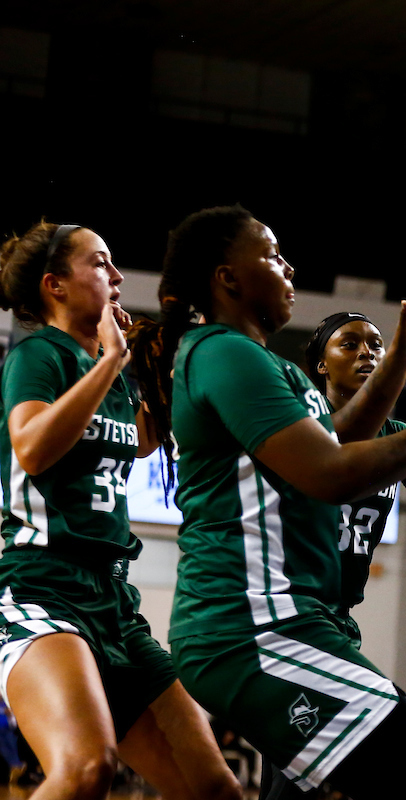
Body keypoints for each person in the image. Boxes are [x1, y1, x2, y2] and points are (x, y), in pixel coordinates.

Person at [126, 205, 406, 800]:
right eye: (272, 255)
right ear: (227, 277)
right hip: (254, 624)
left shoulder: (266, 365)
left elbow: (345, 442)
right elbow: (331, 473)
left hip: (287, 622)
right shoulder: (223, 353)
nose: (288, 267)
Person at [0, 222, 242, 800]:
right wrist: (112, 359)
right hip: (40, 589)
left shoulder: (112, 377)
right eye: (101, 264)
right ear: (55, 285)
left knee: (215, 790)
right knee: (87, 769)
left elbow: (137, 441)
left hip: (113, 601)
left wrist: (171, 373)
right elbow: (31, 446)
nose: (118, 277)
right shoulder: (40, 355)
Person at [253, 307, 406, 800]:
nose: (367, 351)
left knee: (296, 785)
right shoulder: (301, 423)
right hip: (290, 618)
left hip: (335, 623)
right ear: (320, 364)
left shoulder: (396, 433)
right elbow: (335, 444)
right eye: (350, 344)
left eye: (376, 345)